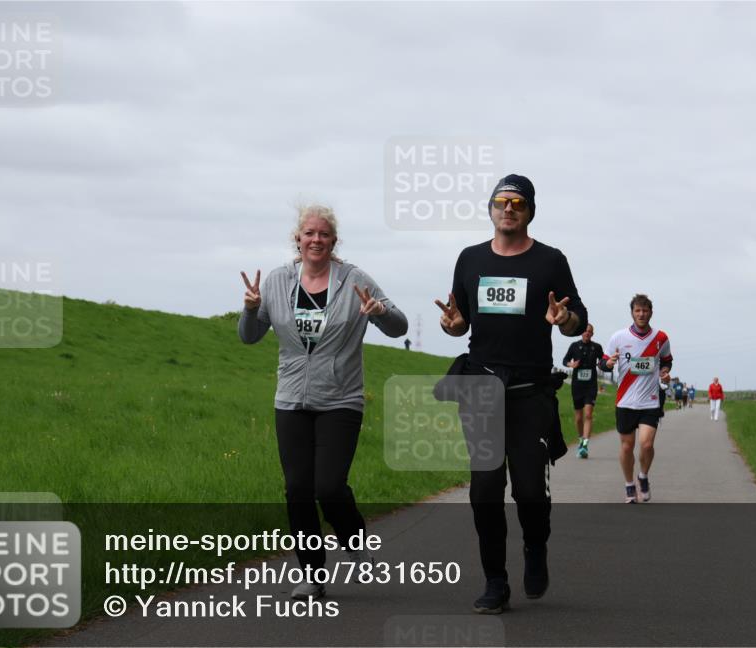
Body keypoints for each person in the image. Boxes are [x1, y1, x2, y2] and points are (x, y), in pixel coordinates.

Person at [239, 204, 408, 600]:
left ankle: (355, 546)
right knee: (297, 490)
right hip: (291, 400)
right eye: (309, 233)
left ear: (334, 241)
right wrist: (249, 310)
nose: (316, 240)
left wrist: (379, 311)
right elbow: (248, 337)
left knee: (329, 488)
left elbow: (398, 323)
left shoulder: (354, 279)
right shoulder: (278, 282)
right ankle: (313, 575)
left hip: (341, 399)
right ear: (297, 239)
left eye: (324, 234)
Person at [435, 174, 587, 613]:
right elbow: (462, 321)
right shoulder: (470, 259)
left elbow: (577, 315)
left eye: (518, 203)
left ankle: (535, 546)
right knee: (484, 489)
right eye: (501, 201)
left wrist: (565, 321)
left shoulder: (550, 261)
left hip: (530, 390)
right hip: (482, 388)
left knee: (529, 492)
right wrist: (453, 326)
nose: (509, 208)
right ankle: (495, 581)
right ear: (490, 208)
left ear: (529, 211)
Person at [601, 294, 672, 504]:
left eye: (645, 310)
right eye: (637, 311)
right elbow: (603, 362)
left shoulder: (661, 338)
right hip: (625, 401)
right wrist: (608, 364)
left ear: (651, 312)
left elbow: (667, 360)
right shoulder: (618, 337)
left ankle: (643, 476)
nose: (641, 314)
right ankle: (629, 484)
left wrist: (665, 371)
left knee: (647, 445)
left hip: (650, 401)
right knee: (626, 447)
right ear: (632, 313)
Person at [562, 324, 605, 458]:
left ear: (592, 334)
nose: (587, 334)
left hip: (591, 385)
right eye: (585, 331)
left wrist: (602, 364)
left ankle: (585, 445)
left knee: (588, 414)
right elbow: (565, 360)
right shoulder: (574, 346)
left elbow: (603, 361)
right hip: (577, 385)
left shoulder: (596, 347)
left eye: (589, 332)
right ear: (582, 333)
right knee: (579, 417)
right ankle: (581, 439)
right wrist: (571, 364)